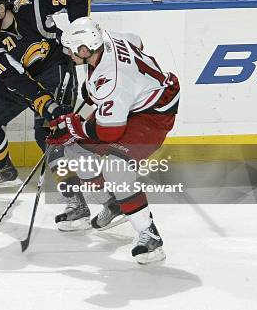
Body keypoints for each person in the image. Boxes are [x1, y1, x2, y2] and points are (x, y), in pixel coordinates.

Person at [46, 16, 180, 264]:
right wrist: (75, 125)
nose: (68, 53)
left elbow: (110, 132)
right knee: (75, 153)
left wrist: (73, 126)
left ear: (85, 50)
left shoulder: (112, 80)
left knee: (115, 167)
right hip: (133, 101)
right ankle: (116, 203)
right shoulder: (104, 39)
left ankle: (149, 236)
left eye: (71, 50)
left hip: (154, 113)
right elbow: (136, 41)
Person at [0, 0, 91, 188]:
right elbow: (16, 80)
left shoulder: (31, 3)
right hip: (22, 77)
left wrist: (78, 34)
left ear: (0, 9)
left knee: (47, 133)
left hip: (55, 68)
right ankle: (2, 170)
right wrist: (45, 104)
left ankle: (88, 181)